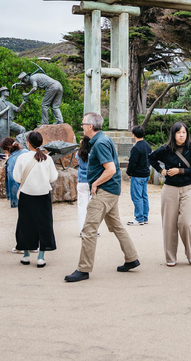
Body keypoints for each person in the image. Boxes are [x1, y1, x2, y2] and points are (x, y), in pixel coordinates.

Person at [65, 112, 140, 282]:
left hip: (105, 191)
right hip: (110, 190)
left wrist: (95, 183)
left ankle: (83, 269)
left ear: (90, 127)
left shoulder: (99, 143)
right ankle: (131, 258)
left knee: (89, 229)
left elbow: (111, 169)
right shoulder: (100, 140)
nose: (82, 126)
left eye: (83, 124)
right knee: (116, 226)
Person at [149, 122, 191, 266]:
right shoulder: (166, 149)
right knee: (169, 224)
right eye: (178, 133)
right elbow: (151, 158)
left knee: (186, 222)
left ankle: (190, 252)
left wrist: (180, 171)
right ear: (173, 134)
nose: (181, 135)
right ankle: (170, 257)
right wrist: (161, 171)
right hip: (170, 189)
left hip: (188, 188)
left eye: (184, 132)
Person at [13, 131, 58, 268]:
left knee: (25, 224)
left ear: (28, 142)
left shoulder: (22, 157)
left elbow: (16, 177)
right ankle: (41, 257)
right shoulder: (47, 158)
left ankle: (26, 255)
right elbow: (53, 177)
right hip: (43, 195)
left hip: (26, 194)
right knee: (44, 225)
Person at [126, 125, 152, 226]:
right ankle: (144, 217)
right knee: (144, 196)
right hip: (146, 174)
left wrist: (129, 173)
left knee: (136, 197)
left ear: (134, 135)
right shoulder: (147, 146)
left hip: (137, 175)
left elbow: (132, 163)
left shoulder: (136, 148)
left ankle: (139, 218)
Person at [1, 137, 28, 208]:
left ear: (6, 150)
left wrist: (14, 201)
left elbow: (12, 180)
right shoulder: (26, 151)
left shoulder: (11, 160)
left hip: (21, 192)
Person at [76, 135, 91, 236]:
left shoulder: (79, 153)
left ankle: (82, 229)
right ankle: (93, 229)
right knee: (92, 207)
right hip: (92, 181)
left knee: (82, 207)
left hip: (81, 181)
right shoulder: (93, 153)